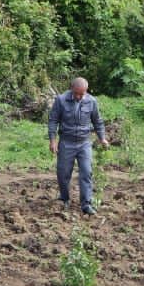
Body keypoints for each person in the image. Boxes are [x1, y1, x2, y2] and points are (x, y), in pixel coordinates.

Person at [47, 77, 110, 215]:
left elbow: (98, 122)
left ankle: (86, 204)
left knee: (86, 173)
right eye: (76, 93)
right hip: (66, 142)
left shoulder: (91, 101)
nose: (79, 97)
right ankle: (64, 199)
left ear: (86, 92)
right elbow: (53, 120)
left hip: (84, 143)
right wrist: (53, 140)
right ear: (71, 89)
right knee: (63, 173)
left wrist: (102, 138)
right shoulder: (61, 100)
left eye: (82, 94)